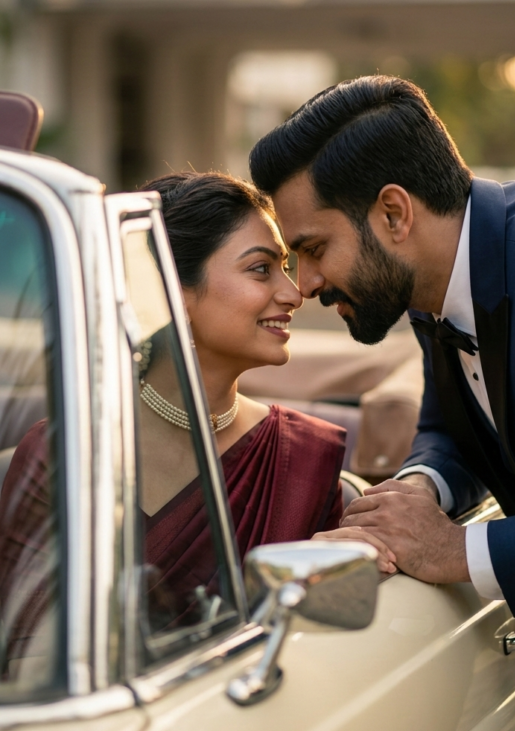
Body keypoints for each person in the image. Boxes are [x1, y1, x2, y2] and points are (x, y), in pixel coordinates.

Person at [0, 172, 390, 646]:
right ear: (170, 294)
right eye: (261, 269)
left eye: (284, 268)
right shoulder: (66, 454)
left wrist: (318, 571)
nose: (294, 294)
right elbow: (28, 651)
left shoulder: (302, 457)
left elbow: (317, 647)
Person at [250, 74, 515, 618]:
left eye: (315, 248)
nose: (305, 284)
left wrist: (453, 550)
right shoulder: (434, 276)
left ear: (394, 214)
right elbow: (451, 428)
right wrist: (415, 493)